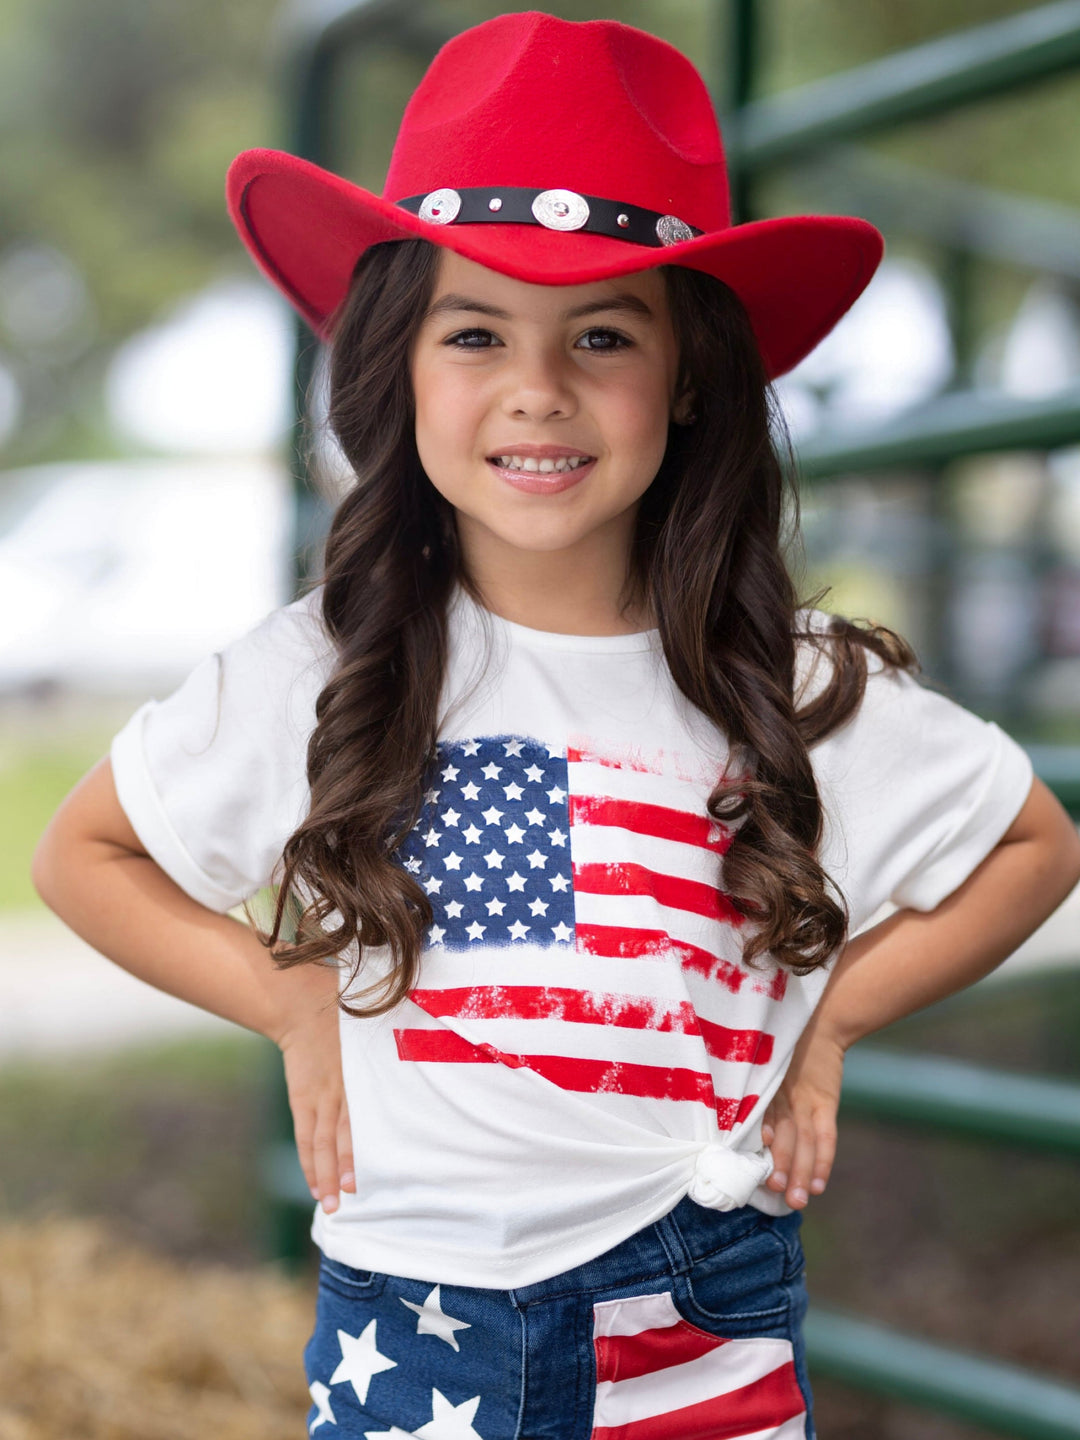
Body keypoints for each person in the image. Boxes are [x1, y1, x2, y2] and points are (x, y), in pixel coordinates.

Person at [31, 11, 1080, 1440]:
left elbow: (1032, 841)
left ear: (691, 375)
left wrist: (831, 1022)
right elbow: (84, 855)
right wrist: (283, 998)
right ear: (400, 365)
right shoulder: (327, 666)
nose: (539, 388)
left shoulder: (790, 677)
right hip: (414, 1309)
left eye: (602, 333)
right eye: (476, 333)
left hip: (693, 1299)